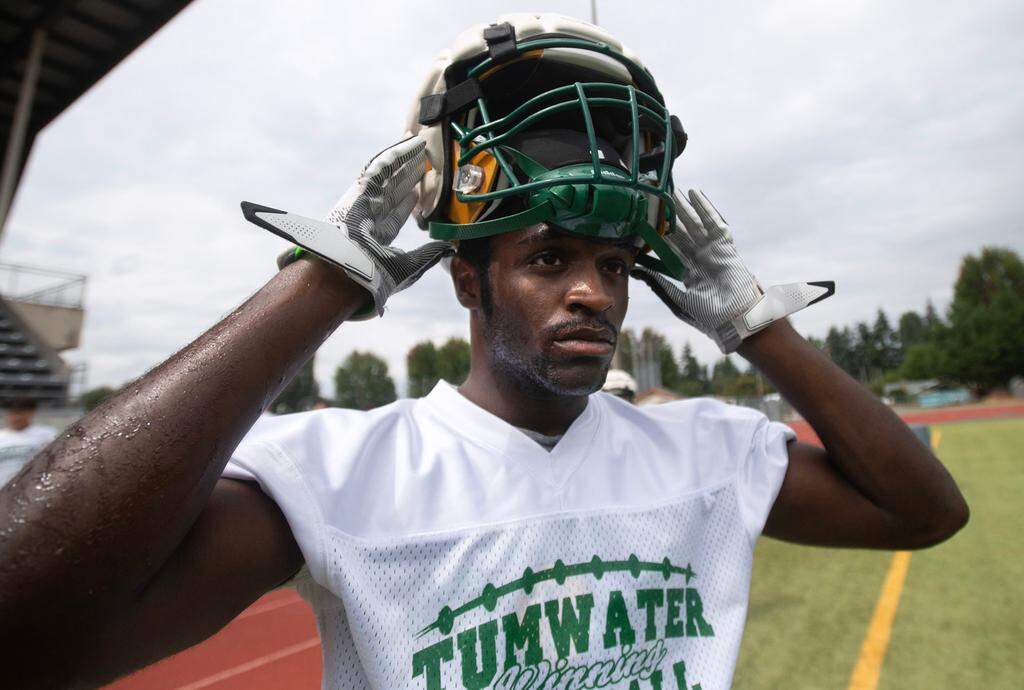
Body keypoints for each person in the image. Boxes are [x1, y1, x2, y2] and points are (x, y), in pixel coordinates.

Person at [0, 14, 967, 689]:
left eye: (614, 262)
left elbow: (925, 511)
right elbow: (26, 630)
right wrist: (323, 281)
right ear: (468, 281)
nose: (593, 289)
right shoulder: (343, 475)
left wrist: (755, 325)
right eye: (548, 258)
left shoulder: (706, 453)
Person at [0, 399, 56, 487]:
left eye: (20, 413)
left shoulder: (47, 434)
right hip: (3, 490)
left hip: (34, 488)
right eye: (12, 413)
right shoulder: (1, 437)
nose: (16, 417)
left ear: (31, 413)